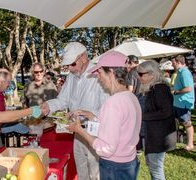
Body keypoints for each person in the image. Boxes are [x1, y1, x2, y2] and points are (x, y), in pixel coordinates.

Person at [67, 51, 141, 180]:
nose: (98, 78)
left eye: (100, 73)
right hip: (129, 162)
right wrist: (93, 117)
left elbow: (105, 149)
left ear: (111, 72)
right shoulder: (131, 97)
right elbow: (119, 128)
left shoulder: (113, 103)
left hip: (114, 166)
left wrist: (80, 131)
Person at [41, 42, 109, 180]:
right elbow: (63, 100)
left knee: (95, 173)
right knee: (81, 171)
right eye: (68, 66)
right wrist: (48, 105)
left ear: (84, 57)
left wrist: (91, 114)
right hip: (77, 131)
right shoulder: (71, 76)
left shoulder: (98, 74)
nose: (70, 69)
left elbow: (107, 107)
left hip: (95, 132)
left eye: (72, 64)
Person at [137, 60, 176, 180]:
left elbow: (166, 111)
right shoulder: (151, 88)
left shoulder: (160, 88)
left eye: (141, 74)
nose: (138, 77)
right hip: (151, 136)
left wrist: (143, 116)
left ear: (152, 74)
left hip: (157, 137)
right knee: (153, 166)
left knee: (156, 169)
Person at [171, 55, 195, 151]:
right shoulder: (180, 72)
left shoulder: (184, 72)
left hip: (183, 103)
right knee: (179, 123)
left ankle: (190, 145)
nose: (172, 65)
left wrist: (176, 92)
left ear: (178, 62)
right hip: (178, 102)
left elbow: (188, 88)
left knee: (187, 123)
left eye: (173, 63)